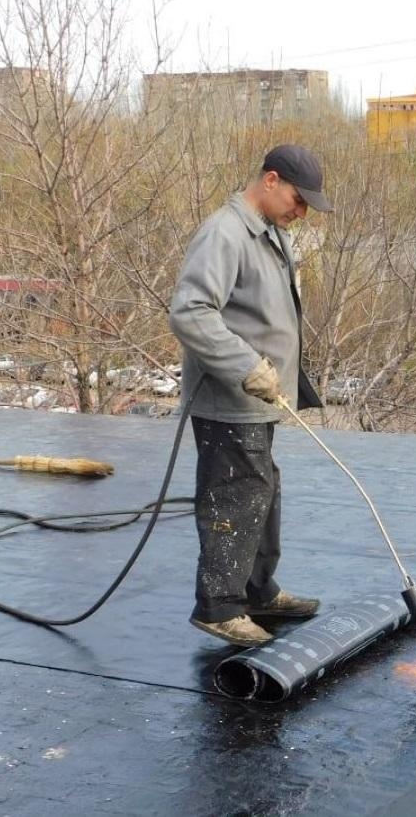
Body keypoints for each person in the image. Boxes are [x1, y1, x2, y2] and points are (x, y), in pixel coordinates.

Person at [169, 144, 333, 647]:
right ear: (270, 179)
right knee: (236, 496)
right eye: (297, 199)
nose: (301, 211)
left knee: (261, 490)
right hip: (229, 397)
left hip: (257, 399)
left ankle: (257, 590)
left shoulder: (270, 234)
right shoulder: (225, 232)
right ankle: (219, 607)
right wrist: (246, 367)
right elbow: (191, 310)